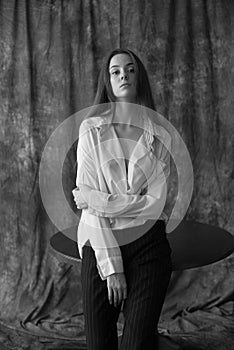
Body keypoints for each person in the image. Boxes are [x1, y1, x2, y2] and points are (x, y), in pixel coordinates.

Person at [72, 48, 172, 350]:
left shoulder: (161, 137)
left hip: (149, 245)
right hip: (100, 239)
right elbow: (87, 200)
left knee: (135, 344)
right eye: (116, 71)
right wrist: (112, 267)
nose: (123, 75)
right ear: (108, 81)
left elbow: (155, 204)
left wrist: (99, 200)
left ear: (138, 78)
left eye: (130, 69)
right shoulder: (91, 129)